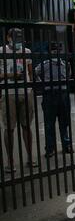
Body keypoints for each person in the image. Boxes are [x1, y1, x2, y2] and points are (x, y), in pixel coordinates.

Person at [0, 28, 36, 173]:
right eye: (15, 38)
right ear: (8, 37)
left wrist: (31, 87)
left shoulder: (26, 51)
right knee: (9, 128)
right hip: (8, 93)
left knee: (26, 126)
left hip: (26, 92)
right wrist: (11, 75)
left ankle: (30, 157)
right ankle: (10, 161)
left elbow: (30, 71)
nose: (17, 41)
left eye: (20, 38)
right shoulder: (1, 51)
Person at [35, 42, 73, 158]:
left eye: (58, 50)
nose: (56, 52)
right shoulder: (44, 64)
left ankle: (66, 145)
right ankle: (50, 148)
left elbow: (68, 76)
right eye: (54, 50)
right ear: (50, 52)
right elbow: (35, 73)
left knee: (64, 122)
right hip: (50, 95)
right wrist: (42, 84)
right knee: (49, 123)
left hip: (63, 94)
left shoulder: (65, 64)